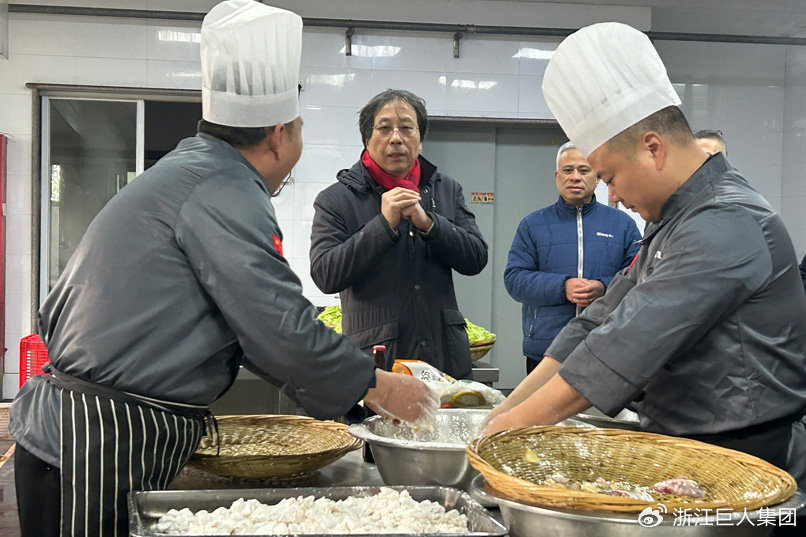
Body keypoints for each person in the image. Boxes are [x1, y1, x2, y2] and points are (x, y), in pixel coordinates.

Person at [10, 3, 438, 536]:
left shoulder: (195, 169)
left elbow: (251, 326)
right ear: (279, 134)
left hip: (86, 435)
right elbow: (276, 325)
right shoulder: (225, 188)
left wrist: (350, 389)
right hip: (93, 442)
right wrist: (375, 387)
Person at [483, 22, 806, 489]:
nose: (611, 196)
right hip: (685, 451)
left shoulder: (725, 222)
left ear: (653, 149)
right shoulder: (672, 220)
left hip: (746, 460)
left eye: (609, 177)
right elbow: (597, 322)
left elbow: (625, 346)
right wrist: (502, 413)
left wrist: (500, 435)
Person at [309, 89, 488, 380]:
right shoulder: (337, 199)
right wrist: (382, 226)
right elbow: (325, 274)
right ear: (367, 139)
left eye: (406, 128)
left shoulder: (445, 189)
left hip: (444, 360)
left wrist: (429, 223)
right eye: (384, 128)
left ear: (420, 138)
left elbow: (476, 258)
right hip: (376, 361)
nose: (396, 138)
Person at [504, 141, 641, 374]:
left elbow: (639, 276)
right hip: (547, 350)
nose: (575, 177)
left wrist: (604, 287)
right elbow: (515, 279)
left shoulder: (623, 224)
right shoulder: (532, 225)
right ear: (557, 177)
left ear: (597, 178)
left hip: (606, 346)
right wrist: (562, 286)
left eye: (584, 170)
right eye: (568, 170)